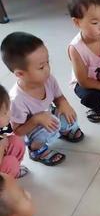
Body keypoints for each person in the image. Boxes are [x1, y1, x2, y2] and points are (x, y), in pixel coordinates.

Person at [1, 32, 84, 167]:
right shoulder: (17, 99)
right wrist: (37, 119)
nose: (47, 69)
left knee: (67, 115)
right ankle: (37, 150)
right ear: (20, 74)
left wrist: (64, 104)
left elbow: (59, 98)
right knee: (45, 129)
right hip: (33, 129)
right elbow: (17, 131)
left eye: (47, 62)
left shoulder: (48, 79)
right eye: (41, 67)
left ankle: (64, 131)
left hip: (48, 116)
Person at [0, 85, 28, 178]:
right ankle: (5, 185)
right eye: (4, 113)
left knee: (16, 141)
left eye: (8, 108)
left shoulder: (3, 125)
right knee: (10, 162)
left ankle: (13, 172)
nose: (9, 114)